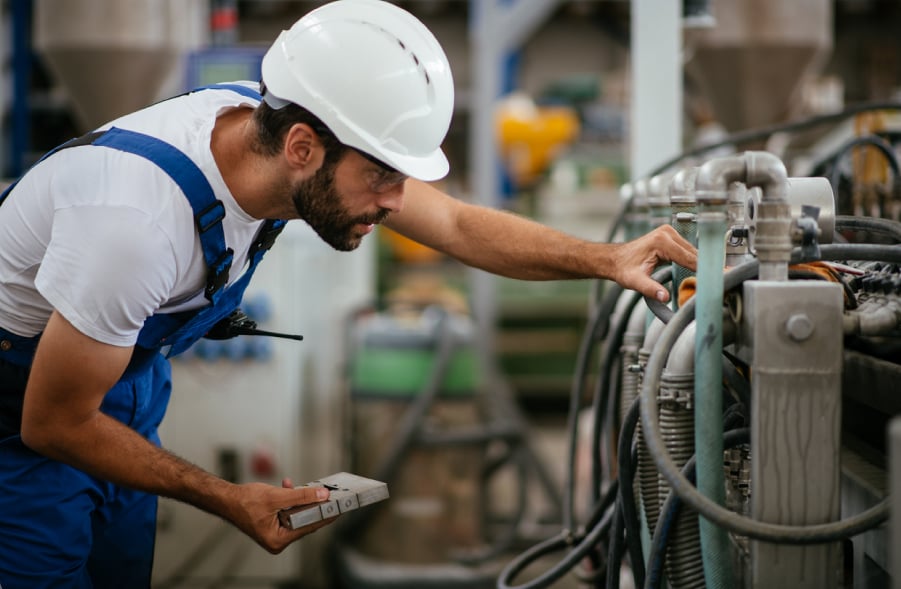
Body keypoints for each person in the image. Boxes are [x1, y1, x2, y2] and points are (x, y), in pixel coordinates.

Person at [0, 0, 696, 587]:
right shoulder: (137, 226)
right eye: (381, 177)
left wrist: (607, 258)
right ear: (302, 147)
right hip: (29, 419)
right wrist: (229, 498)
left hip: (119, 387)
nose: (396, 202)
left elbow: (452, 221)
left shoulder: (268, 133)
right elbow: (54, 423)